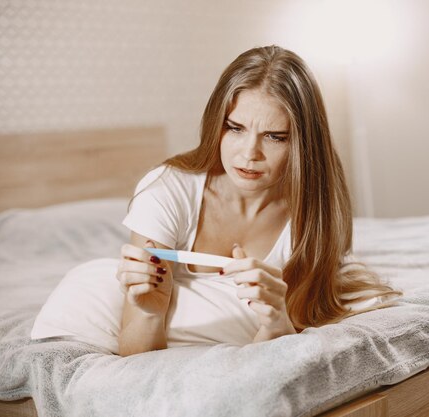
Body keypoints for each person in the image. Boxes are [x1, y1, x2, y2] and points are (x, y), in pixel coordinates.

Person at [116, 45, 401, 356]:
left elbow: (286, 343)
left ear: (302, 143)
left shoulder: (314, 209)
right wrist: (149, 314)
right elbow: (134, 354)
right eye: (235, 128)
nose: (249, 153)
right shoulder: (168, 189)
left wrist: (276, 322)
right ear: (217, 124)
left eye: (274, 136)